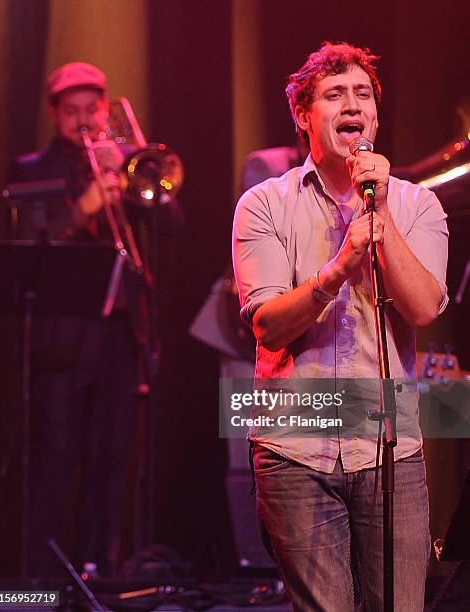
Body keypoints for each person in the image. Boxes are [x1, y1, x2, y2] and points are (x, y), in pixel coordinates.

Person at [232, 42, 449, 611]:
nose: (352, 104)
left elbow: (424, 307)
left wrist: (377, 216)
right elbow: (267, 328)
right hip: (294, 448)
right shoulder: (263, 205)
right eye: (334, 95)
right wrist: (337, 270)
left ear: (375, 116)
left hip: (389, 447)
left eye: (363, 95)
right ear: (304, 116)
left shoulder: (418, 205)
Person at [8, 62, 162, 577]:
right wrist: (86, 206)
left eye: (90, 110)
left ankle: (105, 573)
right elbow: (30, 236)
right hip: (61, 344)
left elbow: (170, 219)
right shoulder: (32, 167)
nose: (81, 121)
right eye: (69, 112)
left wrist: (131, 173)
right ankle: (42, 584)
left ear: (105, 108)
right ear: (54, 115)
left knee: (113, 458)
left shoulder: (122, 161)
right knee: (55, 460)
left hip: (120, 335)